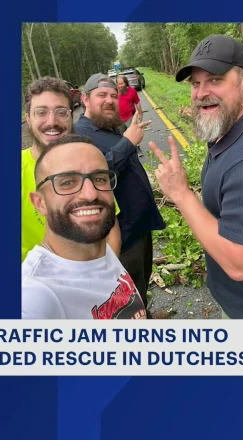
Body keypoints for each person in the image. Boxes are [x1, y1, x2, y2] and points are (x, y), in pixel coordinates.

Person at [150, 34, 243, 319]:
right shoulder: (232, 132)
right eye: (196, 83)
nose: (200, 93)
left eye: (215, 80)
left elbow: (239, 264)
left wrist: (181, 194)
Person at [22, 134, 147, 320]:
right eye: (67, 182)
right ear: (39, 203)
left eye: (99, 179)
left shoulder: (99, 248)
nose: (90, 194)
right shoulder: (35, 297)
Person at [74, 73, 165, 310]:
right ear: (85, 99)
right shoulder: (79, 135)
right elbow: (93, 178)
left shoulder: (111, 125)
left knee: (141, 287)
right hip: (121, 236)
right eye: (101, 95)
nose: (109, 100)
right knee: (128, 300)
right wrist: (127, 142)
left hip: (139, 227)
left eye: (113, 95)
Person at [21, 77, 121, 262]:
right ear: (28, 119)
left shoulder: (86, 160)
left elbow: (111, 228)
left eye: (61, 112)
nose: (52, 122)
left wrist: (104, 278)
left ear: (71, 116)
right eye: (41, 112)